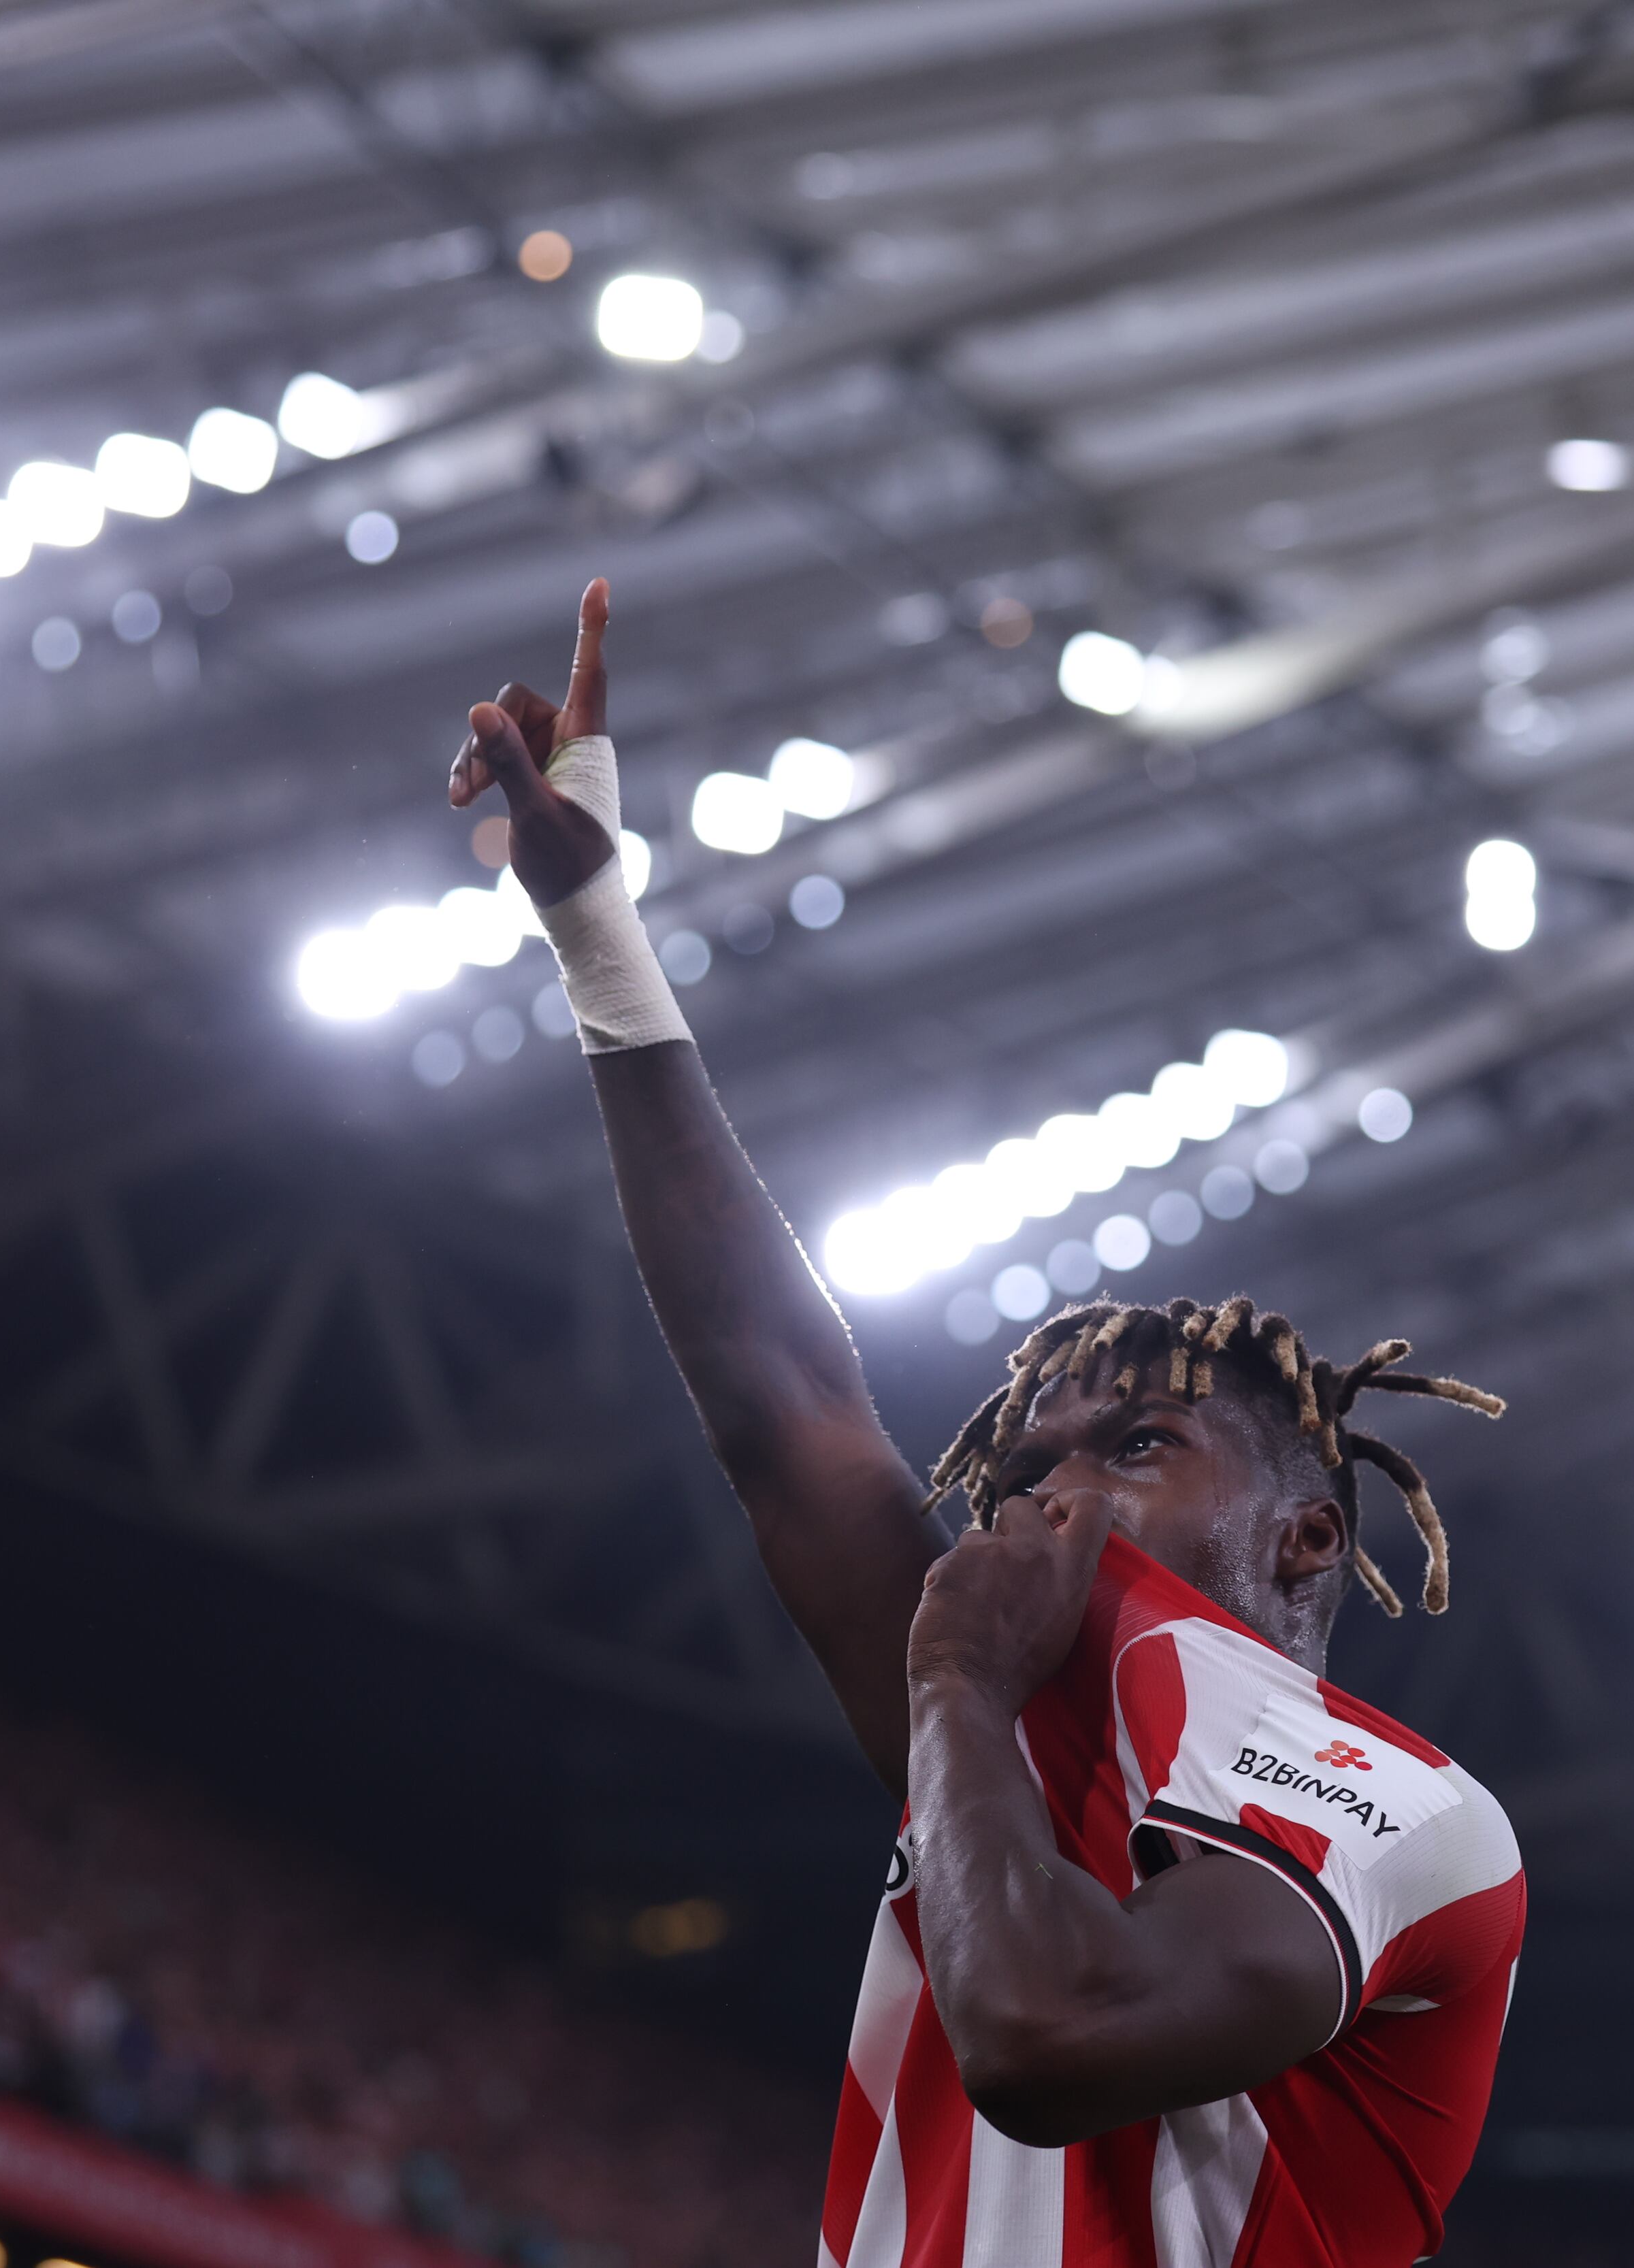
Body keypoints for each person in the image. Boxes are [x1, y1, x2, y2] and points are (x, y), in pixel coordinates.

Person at [452, 580, 1526, 2267]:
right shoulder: (1030, 1760)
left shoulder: (1394, 1804)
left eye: (1135, 1453)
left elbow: (1050, 2037)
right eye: (1024, 1470)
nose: (1047, 1500)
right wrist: (597, 931)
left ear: (1304, 1536)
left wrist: (950, 1681)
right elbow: (785, 1401)